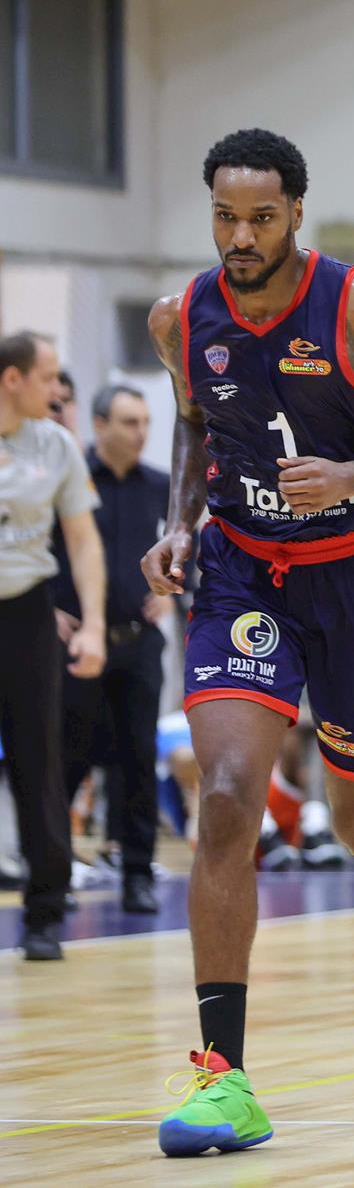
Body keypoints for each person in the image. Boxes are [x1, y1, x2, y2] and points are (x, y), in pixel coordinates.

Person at [141, 130, 354, 1155]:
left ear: (296, 211)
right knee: (226, 795)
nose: (240, 237)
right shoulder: (180, 317)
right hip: (243, 569)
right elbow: (195, 424)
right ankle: (225, 1077)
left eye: (260, 218)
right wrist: (178, 522)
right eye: (224, 217)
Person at [0, 332, 106, 960]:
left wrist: (92, 623)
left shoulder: (56, 444)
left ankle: (45, 912)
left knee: (38, 759)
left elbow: (83, 540)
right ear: (11, 379)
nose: (58, 391)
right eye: (47, 378)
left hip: (25, 613)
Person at [53, 384, 169, 914]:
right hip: (76, 644)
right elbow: (37, 548)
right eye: (128, 422)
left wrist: (173, 590)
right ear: (100, 425)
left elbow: (184, 550)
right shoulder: (70, 478)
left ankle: (137, 874)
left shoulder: (160, 486)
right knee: (67, 759)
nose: (140, 432)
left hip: (138, 644)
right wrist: (47, 609)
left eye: (144, 422)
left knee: (139, 759)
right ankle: (53, 874)